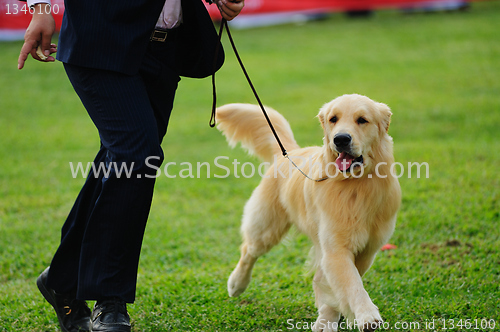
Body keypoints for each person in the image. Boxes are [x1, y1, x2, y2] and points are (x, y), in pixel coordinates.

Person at [18, 0, 244, 331]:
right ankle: (109, 300)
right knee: (136, 155)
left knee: (123, 158)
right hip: (100, 36)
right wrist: (40, 8)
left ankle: (63, 278)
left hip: (166, 46)